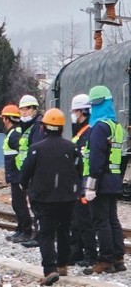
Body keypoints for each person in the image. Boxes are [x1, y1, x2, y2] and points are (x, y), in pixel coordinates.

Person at [21, 108, 83, 286]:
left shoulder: (36, 149)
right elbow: (79, 169)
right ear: (62, 128)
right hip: (67, 198)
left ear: (44, 128)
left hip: (43, 199)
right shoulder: (72, 147)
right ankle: (63, 264)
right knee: (64, 231)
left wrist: (25, 186)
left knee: (45, 234)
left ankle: (50, 270)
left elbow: (25, 173)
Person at [83, 85, 127, 275]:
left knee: (101, 221)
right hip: (114, 179)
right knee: (112, 220)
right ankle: (118, 258)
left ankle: (105, 260)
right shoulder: (116, 126)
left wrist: (91, 184)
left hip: (100, 180)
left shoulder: (99, 127)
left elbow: (96, 158)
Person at [68, 94, 97, 267]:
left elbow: (84, 160)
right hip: (77, 183)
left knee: (84, 221)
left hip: (83, 183)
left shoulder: (88, 132)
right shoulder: (80, 132)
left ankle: (90, 255)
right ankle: (76, 252)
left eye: (75, 111)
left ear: (82, 111)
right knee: (75, 221)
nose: (73, 114)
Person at [0, 104, 33, 243]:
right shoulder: (15, 133)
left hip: (17, 175)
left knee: (19, 204)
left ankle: (26, 231)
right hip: (16, 175)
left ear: (7, 120)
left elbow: (23, 153)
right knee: (17, 204)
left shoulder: (15, 135)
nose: (3, 121)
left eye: (4, 118)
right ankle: (20, 230)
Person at [16, 94, 46, 247]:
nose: (23, 112)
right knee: (35, 206)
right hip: (30, 174)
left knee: (39, 207)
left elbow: (35, 152)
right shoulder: (29, 127)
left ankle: (41, 237)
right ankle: (39, 235)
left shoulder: (38, 127)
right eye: (21, 109)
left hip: (36, 174)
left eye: (27, 109)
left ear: (34, 109)